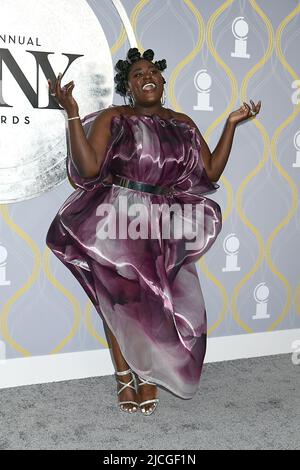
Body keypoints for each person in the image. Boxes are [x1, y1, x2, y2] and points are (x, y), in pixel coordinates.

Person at [46, 47, 261, 416]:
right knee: (121, 303)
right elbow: (87, 167)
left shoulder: (183, 123)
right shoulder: (115, 118)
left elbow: (209, 174)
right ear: (128, 87)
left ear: (162, 80)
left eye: (151, 72)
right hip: (118, 217)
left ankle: (146, 371)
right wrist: (72, 113)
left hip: (164, 221)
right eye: (135, 74)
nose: (145, 76)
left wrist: (231, 125)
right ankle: (126, 377)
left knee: (161, 304)